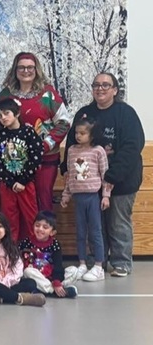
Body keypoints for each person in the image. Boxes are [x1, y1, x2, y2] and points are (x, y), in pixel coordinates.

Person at [62, 72, 143, 277]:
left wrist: (112, 175)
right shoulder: (84, 113)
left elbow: (133, 147)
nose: (100, 88)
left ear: (115, 90)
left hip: (122, 180)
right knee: (95, 225)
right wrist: (66, 169)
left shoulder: (126, 114)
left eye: (106, 85)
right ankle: (98, 261)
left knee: (118, 223)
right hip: (90, 182)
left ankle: (121, 262)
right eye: (96, 85)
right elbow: (72, 143)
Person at [0, 52, 72, 212]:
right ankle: (19, 238)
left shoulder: (48, 93)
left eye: (30, 67)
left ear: (37, 70)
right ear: (15, 70)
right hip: (15, 160)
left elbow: (64, 122)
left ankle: (43, 237)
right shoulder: (6, 94)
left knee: (43, 200)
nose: (26, 71)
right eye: (21, 67)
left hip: (44, 157)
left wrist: (44, 145)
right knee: (18, 204)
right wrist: (8, 148)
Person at [61, 116, 111, 281]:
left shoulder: (98, 151)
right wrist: (66, 195)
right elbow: (69, 175)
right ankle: (82, 263)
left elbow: (106, 175)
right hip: (78, 198)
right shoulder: (72, 150)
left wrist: (105, 196)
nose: (78, 136)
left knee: (95, 232)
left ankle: (98, 266)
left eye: (83, 133)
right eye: (77, 133)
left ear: (92, 135)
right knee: (80, 232)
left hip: (93, 198)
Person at [0, 98, 43, 241]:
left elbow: (36, 158)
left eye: (7, 113)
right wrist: (10, 182)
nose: (3, 118)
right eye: (0, 116)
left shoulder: (28, 133)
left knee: (31, 217)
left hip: (26, 184)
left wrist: (23, 181)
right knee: (9, 220)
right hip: (7, 185)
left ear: (17, 113)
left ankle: (36, 250)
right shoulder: (0, 136)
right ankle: (11, 252)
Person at [0, 212, 45, 306]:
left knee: (31, 283)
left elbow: (17, 269)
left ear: (6, 230)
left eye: (0, 226)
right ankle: (19, 298)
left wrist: (6, 281)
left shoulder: (10, 247)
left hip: (8, 284)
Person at [19, 211, 78, 298]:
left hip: (51, 277)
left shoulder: (55, 244)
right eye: (37, 225)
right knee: (27, 271)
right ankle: (53, 291)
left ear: (52, 232)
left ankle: (50, 288)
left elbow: (58, 266)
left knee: (74, 270)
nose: (40, 229)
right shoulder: (25, 242)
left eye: (45, 227)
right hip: (35, 277)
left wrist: (56, 281)